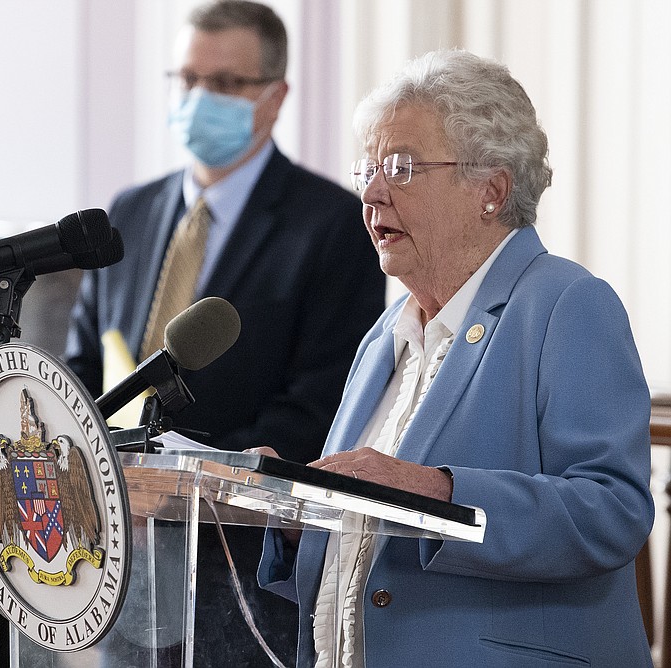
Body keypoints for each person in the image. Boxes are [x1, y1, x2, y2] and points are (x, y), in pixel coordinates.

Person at [257, 49, 655, 667]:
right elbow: (366, 529)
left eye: (401, 167)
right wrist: (291, 506)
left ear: (490, 191)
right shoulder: (386, 333)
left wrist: (434, 490)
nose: (372, 191)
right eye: (368, 168)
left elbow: (611, 510)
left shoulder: (566, 303)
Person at [64, 1, 386, 665]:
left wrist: (186, 485)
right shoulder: (130, 211)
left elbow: (322, 398)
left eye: (225, 84)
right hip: (125, 553)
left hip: (241, 566)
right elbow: (87, 360)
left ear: (275, 97)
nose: (198, 98)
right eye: (185, 79)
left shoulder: (331, 224)